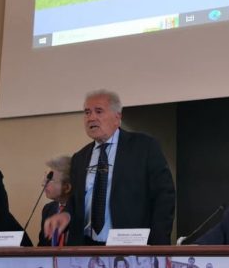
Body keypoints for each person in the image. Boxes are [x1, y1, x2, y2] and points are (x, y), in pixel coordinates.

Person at [44, 89, 176, 245]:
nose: (91, 117)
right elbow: (76, 200)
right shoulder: (80, 157)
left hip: (130, 246)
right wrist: (66, 214)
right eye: (87, 112)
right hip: (86, 246)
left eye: (99, 111)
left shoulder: (144, 147)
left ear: (117, 117)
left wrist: (158, 245)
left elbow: (164, 196)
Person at [38, 155, 72, 246]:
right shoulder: (48, 209)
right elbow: (42, 246)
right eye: (45, 178)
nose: (43, 184)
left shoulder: (83, 210)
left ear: (67, 187)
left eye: (50, 180)